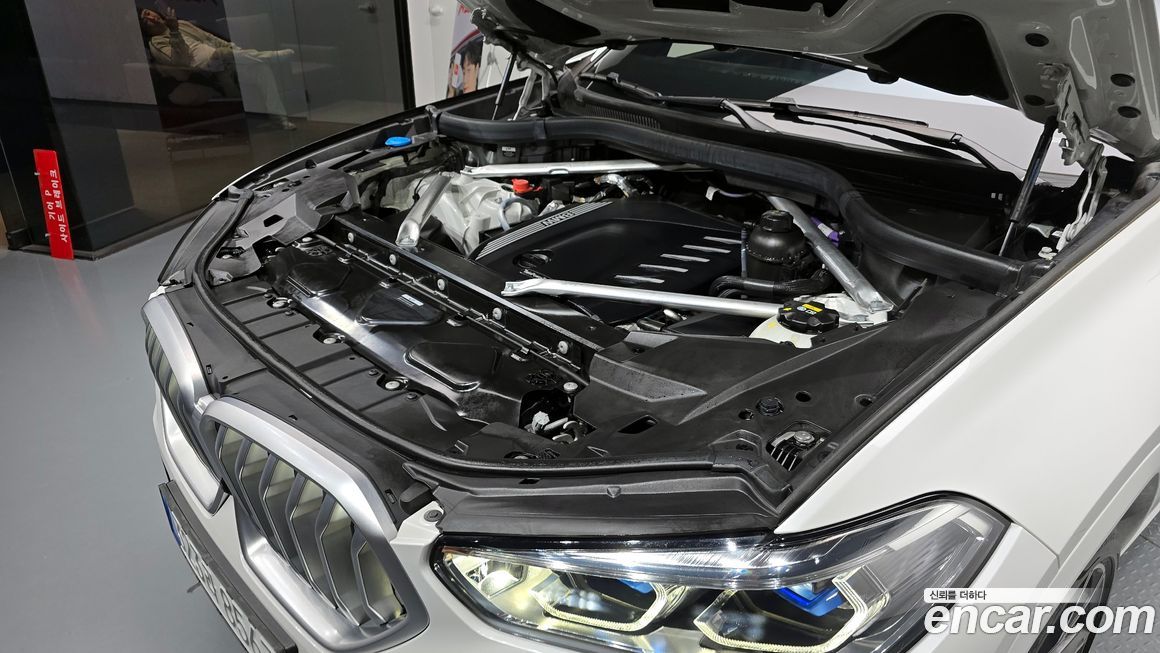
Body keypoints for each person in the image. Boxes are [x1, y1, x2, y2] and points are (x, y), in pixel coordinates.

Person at [139, 7, 296, 130]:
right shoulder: (156, 43)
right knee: (223, 53)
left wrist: (232, 47)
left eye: (148, 13)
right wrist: (174, 31)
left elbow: (210, 38)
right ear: (146, 30)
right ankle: (271, 56)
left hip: (223, 60)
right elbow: (180, 61)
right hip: (204, 68)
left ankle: (279, 118)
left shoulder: (183, 24)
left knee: (261, 69)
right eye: (146, 22)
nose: (151, 18)